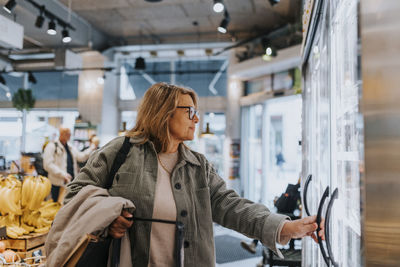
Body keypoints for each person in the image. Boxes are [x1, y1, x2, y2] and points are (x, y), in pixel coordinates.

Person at [64, 82, 324, 267]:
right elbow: (75, 195)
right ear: (163, 113)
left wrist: (284, 226)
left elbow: (229, 205)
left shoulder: (198, 164)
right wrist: (108, 216)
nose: (196, 119)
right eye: (189, 111)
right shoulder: (119, 152)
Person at [43, 127, 98, 203]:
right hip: (56, 184)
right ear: (62, 134)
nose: (69, 136)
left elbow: (81, 157)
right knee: (54, 205)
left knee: (65, 205)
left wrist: (91, 148)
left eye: (69, 134)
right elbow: (47, 164)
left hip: (69, 183)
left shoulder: (70, 147)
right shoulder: (52, 146)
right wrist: (62, 174)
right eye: (67, 134)